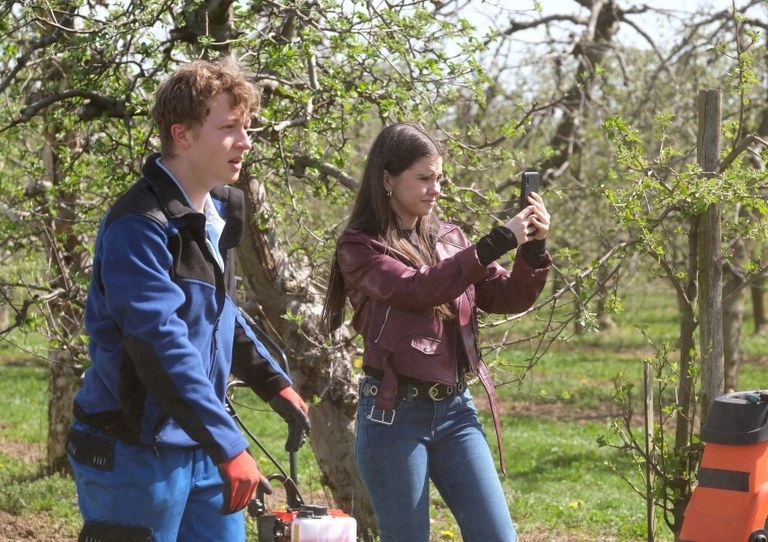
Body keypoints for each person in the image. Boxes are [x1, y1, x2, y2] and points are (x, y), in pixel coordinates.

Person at [67, 58, 311, 542]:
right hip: (135, 450)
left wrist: (271, 381)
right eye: (229, 128)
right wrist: (227, 443)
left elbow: (219, 314)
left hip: (201, 445)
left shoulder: (215, 215)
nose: (246, 142)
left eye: (247, 127)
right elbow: (160, 344)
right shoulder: (139, 226)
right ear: (181, 135)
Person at [321, 122, 552, 542]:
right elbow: (417, 288)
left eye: (439, 178)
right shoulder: (360, 246)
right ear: (388, 180)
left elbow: (507, 296)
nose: (435, 189)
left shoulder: (450, 238)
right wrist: (498, 240)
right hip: (393, 413)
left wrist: (531, 247)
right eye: (424, 178)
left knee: (498, 536)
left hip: (455, 410)